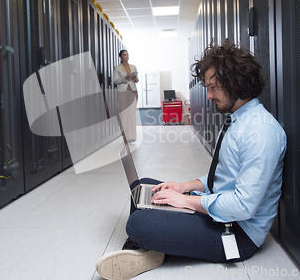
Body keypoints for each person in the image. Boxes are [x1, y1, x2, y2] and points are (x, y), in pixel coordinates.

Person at [96, 40, 287, 280]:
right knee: (145, 185)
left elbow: (243, 206)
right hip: (218, 210)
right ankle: (147, 245)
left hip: (237, 232)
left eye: (213, 87)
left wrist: (186, 202)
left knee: (138, 223)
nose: (208, 95)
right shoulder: (238, 120)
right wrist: (184, 187)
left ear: (234, 82)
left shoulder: (261, 131)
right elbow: (223, 175)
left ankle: (143, 243)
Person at [114, 50, 139, 142]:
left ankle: (132, 137)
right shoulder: (117, 68)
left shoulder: (133, 67)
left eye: (127, 54)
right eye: (124, 55)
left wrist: (135, 79)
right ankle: (125, 136)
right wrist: (125, 78)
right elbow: (116, 81)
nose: (127, 56)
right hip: (122, 92)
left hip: (133, 91)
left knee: (132, 113)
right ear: (121, 57)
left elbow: (137, 80)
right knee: (124, 114)